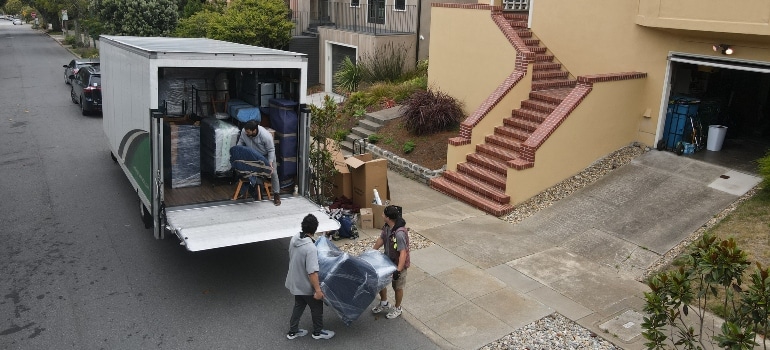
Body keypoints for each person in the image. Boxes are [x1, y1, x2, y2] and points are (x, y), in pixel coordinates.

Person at [285, 214, 335, 340]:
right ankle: (318, 332)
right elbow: (312, 272)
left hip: (295, 281)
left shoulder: (295, 238)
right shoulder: (310, 248)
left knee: (299, 304)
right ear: (314, 229)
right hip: (305, 284)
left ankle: (293, 331)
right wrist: (318, 291)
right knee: (317, 306)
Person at [371, 205, 410, 319]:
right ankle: (384, 303)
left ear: (388, 217)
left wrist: (398, 270)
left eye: (383, 214)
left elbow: (403, 252)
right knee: (381, 281)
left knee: (397, 287)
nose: (382, 215)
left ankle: (397, 308)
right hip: (387, 261)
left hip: (398, 265)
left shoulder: (399, 233)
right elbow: (382, 239)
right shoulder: (387, 227)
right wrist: (372, 252)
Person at [235, 120, 281, 205]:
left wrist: (270, 163)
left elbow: (271, 149)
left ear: (254, 130)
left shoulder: (265, 136)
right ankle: (255, 191)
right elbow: (240, 143)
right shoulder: (244, 132)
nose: (246, 133)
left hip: (266, 155)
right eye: (245, 131)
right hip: (253, 154)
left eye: (248, 132)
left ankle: (276, 194)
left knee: (273, 172)